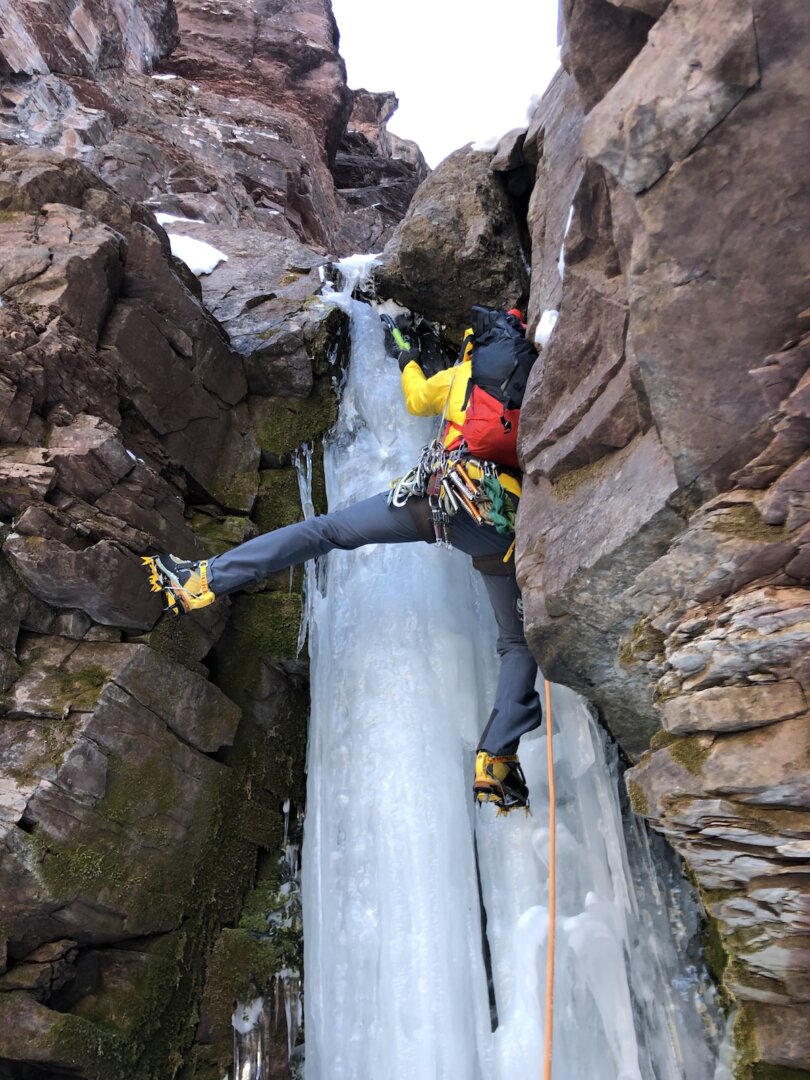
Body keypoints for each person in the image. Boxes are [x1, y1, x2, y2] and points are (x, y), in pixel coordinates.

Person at [143, 308, 542, 812]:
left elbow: (417, 401)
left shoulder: (463, 373)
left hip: (438, 501)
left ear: (472, 345)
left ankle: (201, 581)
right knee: (515, 641)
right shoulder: (529, 379)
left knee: (326, 530)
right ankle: (497, 759)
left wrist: (408, 358)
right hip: (497, 522)